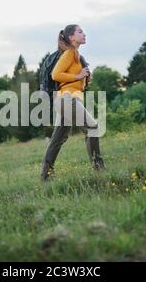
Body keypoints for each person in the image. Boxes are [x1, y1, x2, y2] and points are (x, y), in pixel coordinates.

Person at [40, 24, 106, 181]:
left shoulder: (75, 55)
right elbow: (56, 74)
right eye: (80, 32)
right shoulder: (69, 53)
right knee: (93, 127)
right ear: (71, 37)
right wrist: (78, 76)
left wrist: (83, 77)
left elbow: (73, 80)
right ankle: (99, 169)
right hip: (66, 99)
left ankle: (45, 176)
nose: (84, 34)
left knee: (57, 140)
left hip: (67, 99)